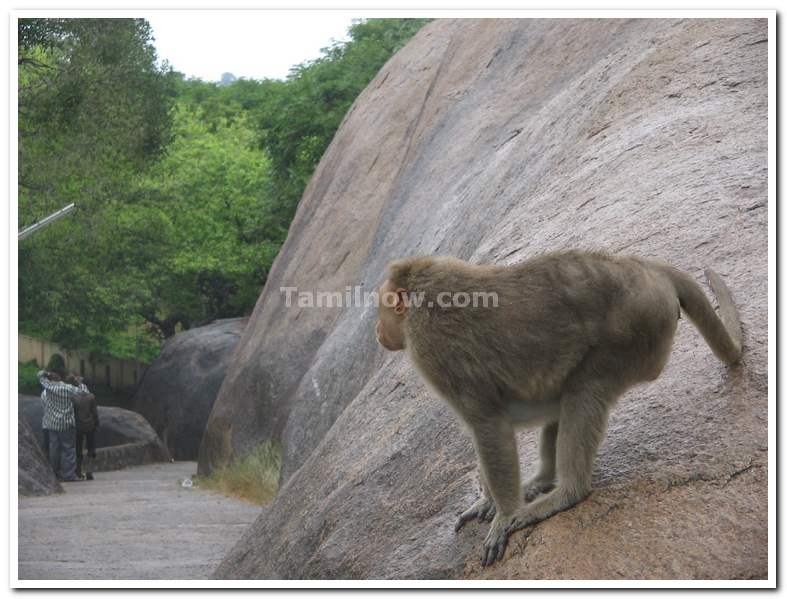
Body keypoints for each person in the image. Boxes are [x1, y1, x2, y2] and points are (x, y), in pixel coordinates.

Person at [37, 370, 82, 482]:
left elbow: (39, 375)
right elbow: (83, 392)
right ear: (60, 378)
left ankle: (54, 473)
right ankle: (69, 475)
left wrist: (46, 373)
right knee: (69, 449)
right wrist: (78, 381)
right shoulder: (68, 388)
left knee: (54, 449)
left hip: (51, 424)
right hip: (66, 424)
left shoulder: (47, 389)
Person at [67, 374, 98, 480]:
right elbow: (94, 413)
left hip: (77, 426)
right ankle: (89, 471)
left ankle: (78, 471)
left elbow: (72, 412)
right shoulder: (91, 397)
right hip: (90, 425)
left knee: (78, 449)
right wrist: (96, 423)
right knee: (91, 448)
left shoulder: (73, 397)